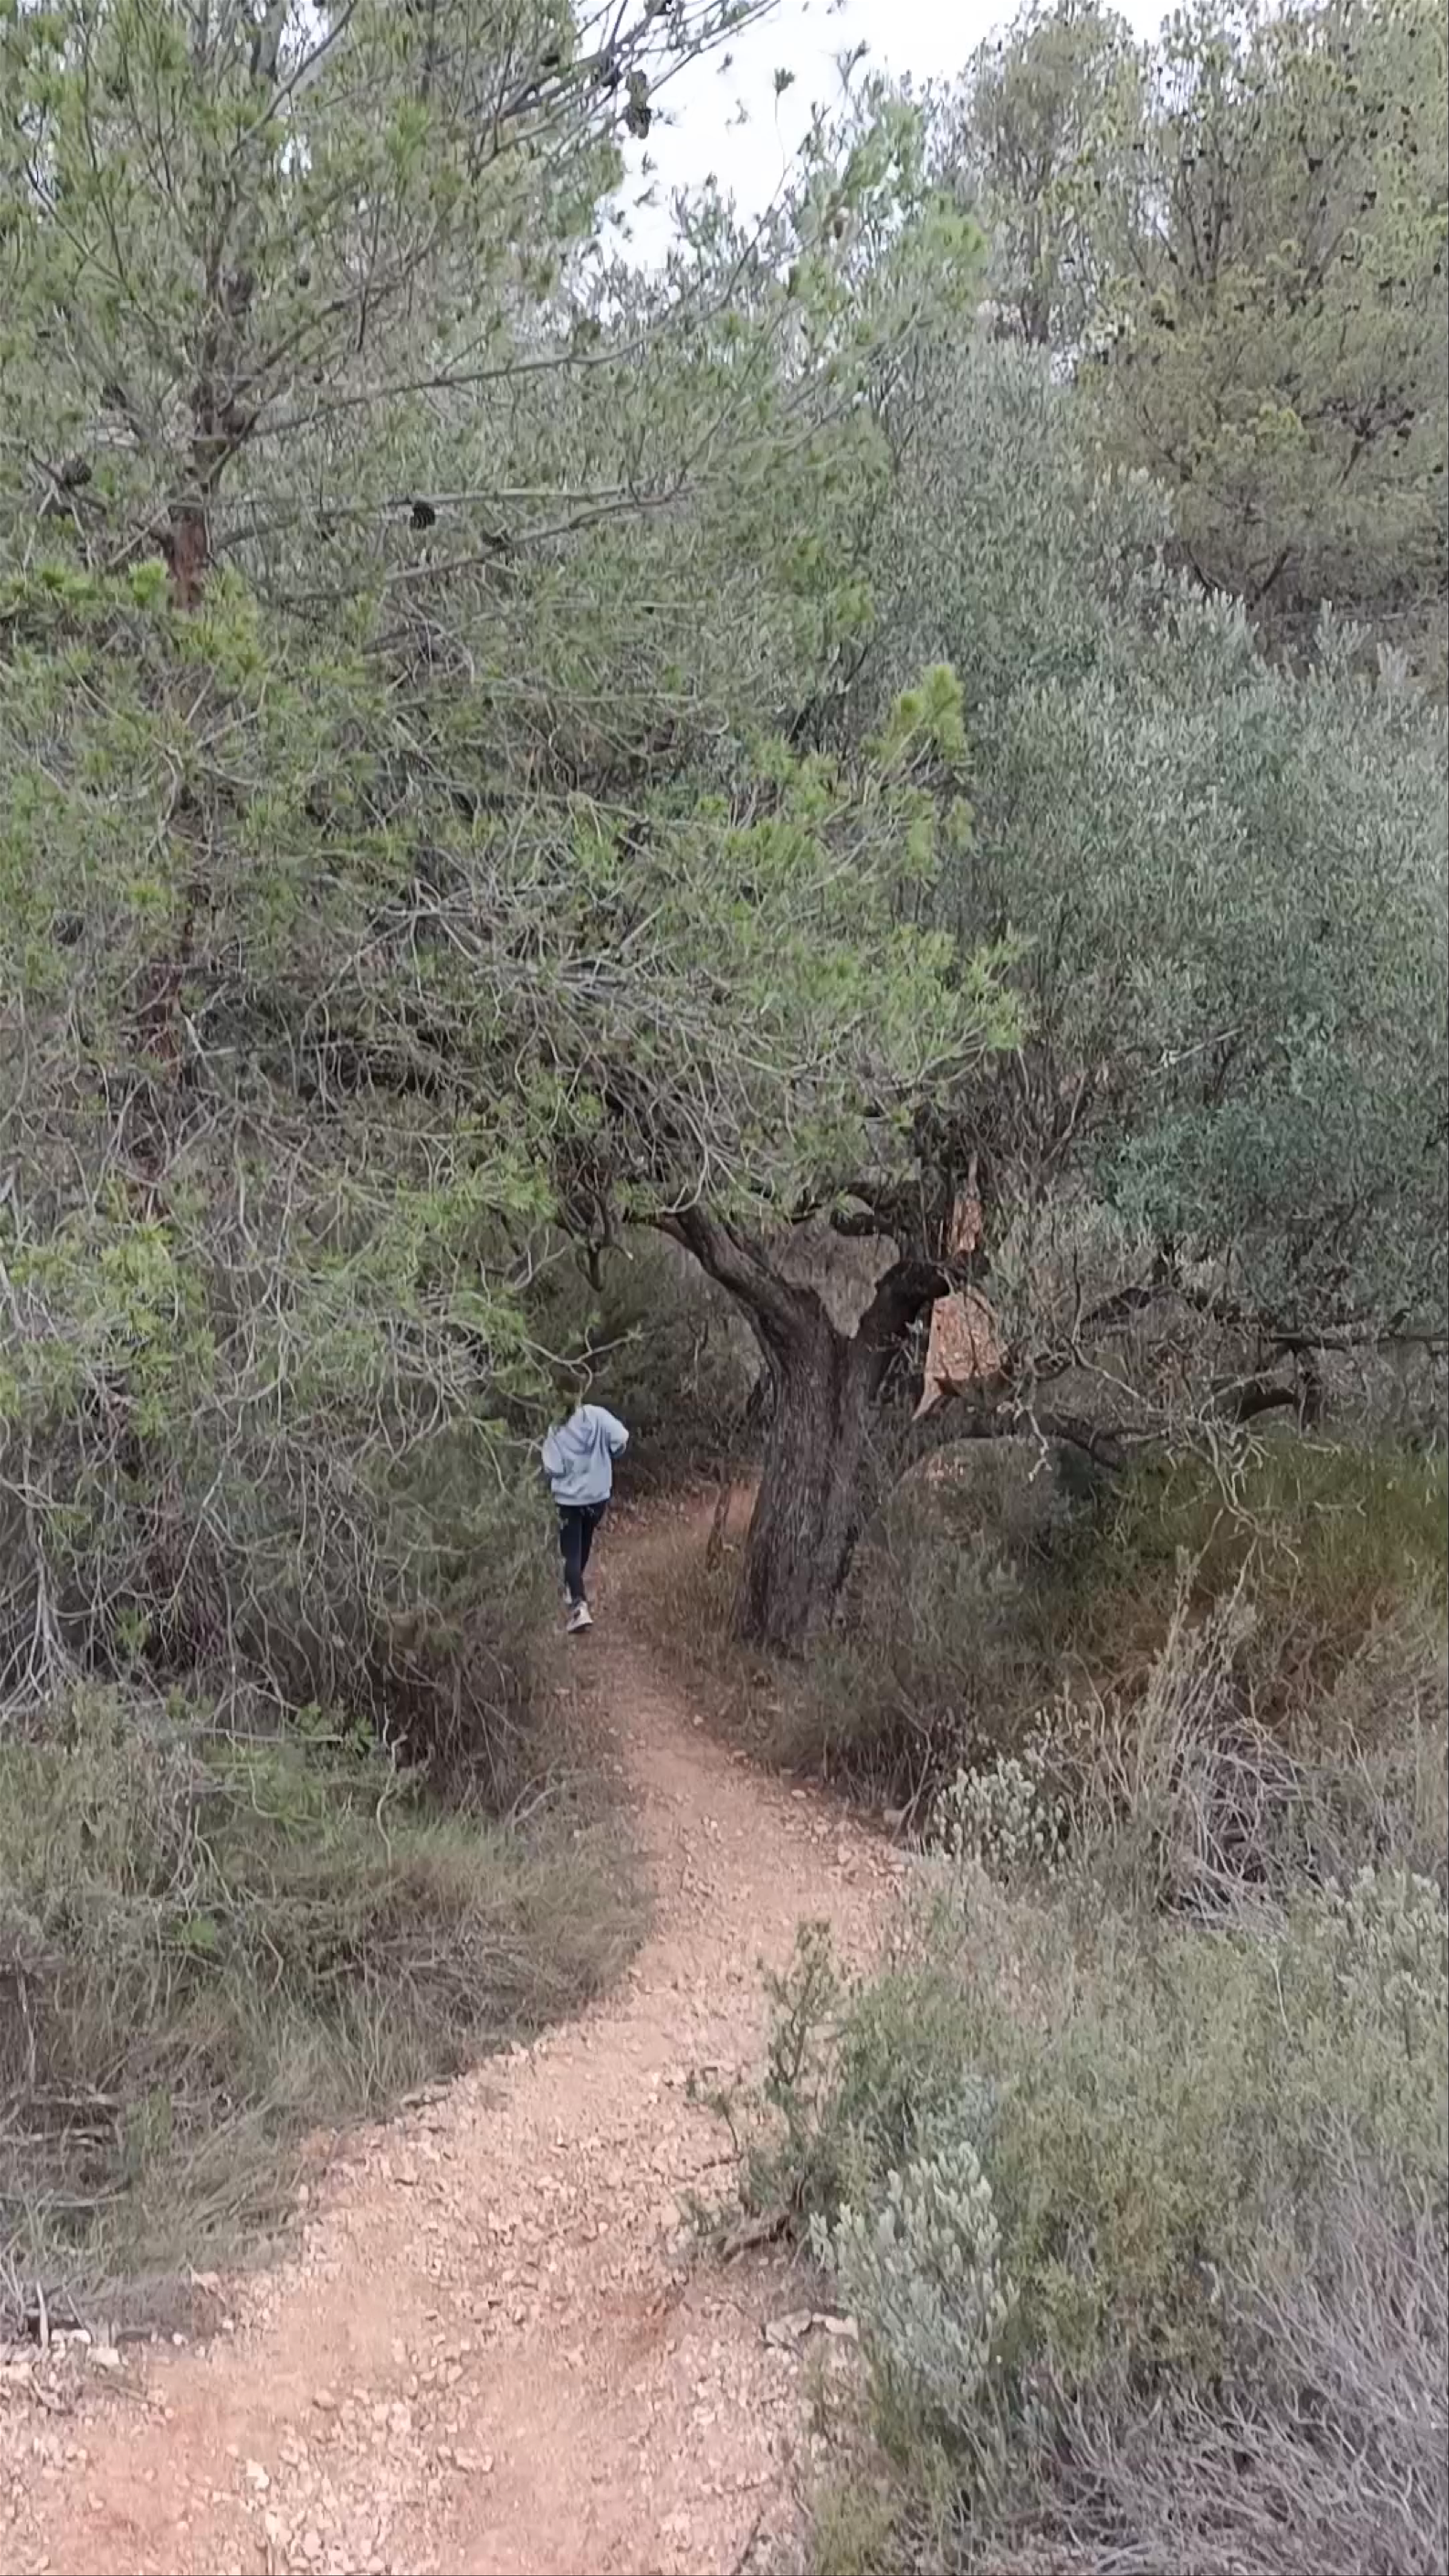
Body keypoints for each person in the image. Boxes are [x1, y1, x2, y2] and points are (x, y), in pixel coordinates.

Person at [541, 1392, 629, 1633]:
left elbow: (552, 1468)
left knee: (570, 1553)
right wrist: (610, 1456)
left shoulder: (557, 1428)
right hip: (597, 1496)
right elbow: (621, 1439)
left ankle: (579, 1608)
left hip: (569, 1500)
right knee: (584, 1543)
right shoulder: (598, 1415)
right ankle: (573, 1589)